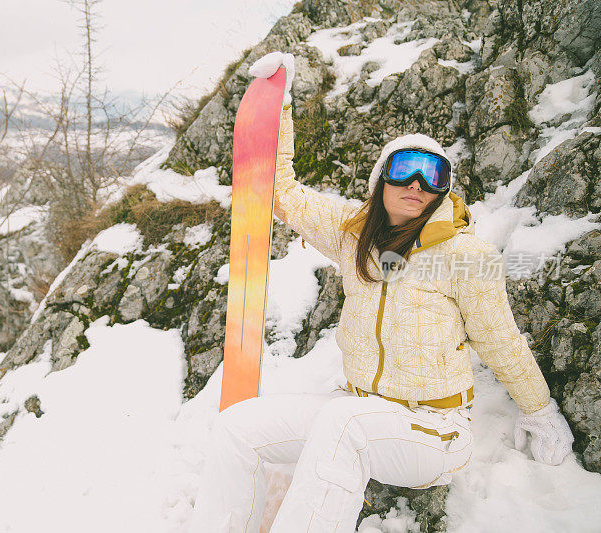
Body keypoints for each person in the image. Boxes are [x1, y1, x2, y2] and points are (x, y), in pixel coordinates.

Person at [187, 51, 575, 533]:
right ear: (381, 177)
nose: (417, 183)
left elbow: (502, 341)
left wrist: (541, 412)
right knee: (237, 428)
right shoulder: (354, 236)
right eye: (407, 167)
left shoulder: (465, 256)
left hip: (433, 432)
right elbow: (279, 193)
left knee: (343, 425)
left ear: (443, 189)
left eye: (433, 175)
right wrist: (279, 106)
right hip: (352, 406)